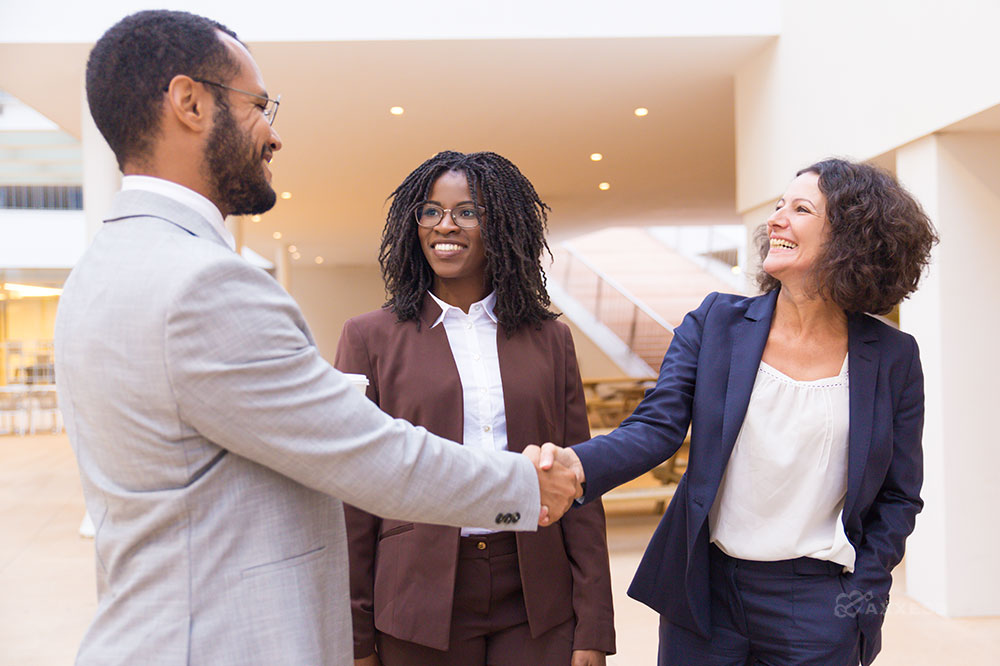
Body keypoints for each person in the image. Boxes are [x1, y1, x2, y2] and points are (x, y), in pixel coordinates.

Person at [56, 11, 581, 666]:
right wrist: (529, 486)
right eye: (258, 105)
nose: (273, 134)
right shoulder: (203, 286)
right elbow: (370, 455)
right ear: (189, 103)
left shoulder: (101, 271)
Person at [532, 158, 938, 666]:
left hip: (816, 601)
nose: (775, 220)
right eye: (777, 206)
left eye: (801, 208)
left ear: (852, 236)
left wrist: (860, 603)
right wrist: (577, 466)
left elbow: (899, 496)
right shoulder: (715, 323)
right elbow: (656, 427)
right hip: (706, 589)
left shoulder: (893, 358)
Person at [335, 151, 616, 666]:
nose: (447, 225)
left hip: (536, 593)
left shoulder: (549, 338)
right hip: (417, 595)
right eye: (431, 211)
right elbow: (354, 493)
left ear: (501, 225)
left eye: (469, 211)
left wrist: (593, 623)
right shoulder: (368, 337)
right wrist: (355, 637)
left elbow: (580, 479)